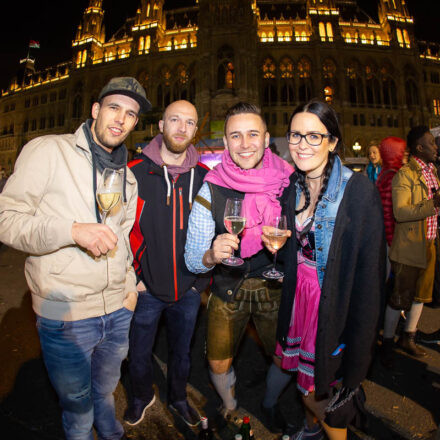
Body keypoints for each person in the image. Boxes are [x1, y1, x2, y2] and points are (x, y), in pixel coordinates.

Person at [0, 77, 150, 440]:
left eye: (130, 114)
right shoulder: (49, 150)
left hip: (117, 311)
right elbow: (7, 220)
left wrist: (130, 292)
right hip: (66, 316)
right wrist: (70, 231)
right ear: (96, 110)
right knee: (78, 406)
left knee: (105, 391)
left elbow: (123, 242)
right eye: (114, 108)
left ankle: (111, 432)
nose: (121, 119)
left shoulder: (127, 178)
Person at [265, 100, 385, 440]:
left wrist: (361, 345)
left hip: (332, 304)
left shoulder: (356, 190)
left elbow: (370, 275)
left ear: (333, 142)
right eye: (295, 135)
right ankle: (310, 427)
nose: (302, 145)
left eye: (314, 136)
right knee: (306, 383)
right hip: (298, 298)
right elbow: (296, 248)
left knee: (323, 391)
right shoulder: (293, 187)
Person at [184, 102, 293, 433]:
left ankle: (270, 402)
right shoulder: (212, 186)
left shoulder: (290, 182)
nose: (245, 144)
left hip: (275, 285)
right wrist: (210, 255)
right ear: (226, 141)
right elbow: (192, 258)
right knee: (217, 360)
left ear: (266, 138)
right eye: (235, 136)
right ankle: (230, 406)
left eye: (252, 134)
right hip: (228, 286)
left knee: (285, 357)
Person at [124, 100, 210, 427]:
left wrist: (200, 282)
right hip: (146, 288)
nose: (181, 128)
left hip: (188, 289)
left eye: (189, 122)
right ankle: (141, 396)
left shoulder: (205, 178)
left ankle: (177, 397)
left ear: (195, 129)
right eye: (174, 120)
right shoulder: (133, 172)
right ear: (161, 125)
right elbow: (120, 231)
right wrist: (135, 278)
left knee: (182, 353)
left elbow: (215, 232)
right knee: (140, 353)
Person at [381, 126, 440, 359]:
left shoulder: (432, 171)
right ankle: (386, 344)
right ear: (419, 147)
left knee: (422, 296)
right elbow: (401, 211)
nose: (435, 147)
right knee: (399, 299)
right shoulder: (404, 175)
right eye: (431, 143)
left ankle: (409, 336)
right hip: (409, 247)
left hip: (429, 242)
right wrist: (432, 204)